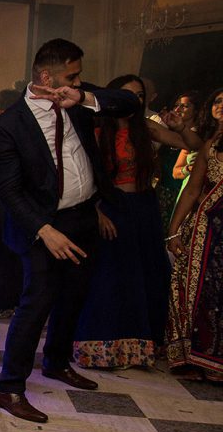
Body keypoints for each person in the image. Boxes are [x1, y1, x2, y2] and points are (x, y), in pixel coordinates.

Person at [0, 39, 140, 423]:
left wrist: (84, 95)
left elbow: (130, 103)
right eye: (72, 75)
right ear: (46, 76)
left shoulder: (79, 105)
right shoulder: (8, 125)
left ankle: (56, 361)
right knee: (36, 302)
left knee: (75, 293)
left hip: (83, 216)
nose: (79, 81)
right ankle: (9, 387)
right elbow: (8, 190)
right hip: (40, 225)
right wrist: (44, 230)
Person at [74, 75, 201, 369]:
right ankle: (104, 347)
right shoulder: (97, 130)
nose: (133, 101)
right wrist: (97, 212)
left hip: (144, 207)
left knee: (147, 275)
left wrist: (180, 126)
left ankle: (140, 347)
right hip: (111, 207)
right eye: (126, 94)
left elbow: (193, 146)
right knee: (112, 277)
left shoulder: (144, 127)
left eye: (139, 96)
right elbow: (86, 176)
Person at [165, 87, 223, 381]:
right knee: (197, 291)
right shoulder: (210, 144)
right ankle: (196, 359)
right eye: (218, 100)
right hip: (206, 228)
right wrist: (174, 231)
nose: (221, 105)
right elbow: (192, 189)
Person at [158, 91, 200, 231]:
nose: (177, 109)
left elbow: (178, 171)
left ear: (196, 111)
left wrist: (187, 169)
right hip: (162, 189)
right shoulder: (170, 132)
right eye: (176, 105)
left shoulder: (197, 136)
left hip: (179, 192)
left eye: (184, 106)